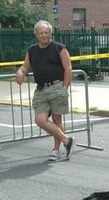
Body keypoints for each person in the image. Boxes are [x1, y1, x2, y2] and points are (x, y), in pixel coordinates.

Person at [15, 20, 74, 161]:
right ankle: (67, 141)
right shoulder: (32, 51)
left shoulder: (59, 48)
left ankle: (56, 150)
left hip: (57, 88)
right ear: (36, 34)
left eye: (47, 32)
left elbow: (68, 68)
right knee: (40, 120)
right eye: (41, 32)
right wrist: (20, 72)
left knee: (56, 119)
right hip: (41, 90)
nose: (44, 35)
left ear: (50, 33)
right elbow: (25, 67)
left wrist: (65, 88)